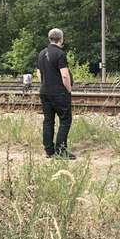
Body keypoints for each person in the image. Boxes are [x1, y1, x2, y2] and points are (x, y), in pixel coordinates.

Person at [35, 28, 75, 160]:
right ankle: (61, 150)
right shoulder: (60, 54)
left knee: (48, 121)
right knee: (65, 120)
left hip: (44, 91)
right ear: (61, 39)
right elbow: (65, 75)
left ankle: (49, 151)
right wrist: (68, 90)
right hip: (59, 93)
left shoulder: (42, 53)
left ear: (49, 38)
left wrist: (45, 83)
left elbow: (38, 73)